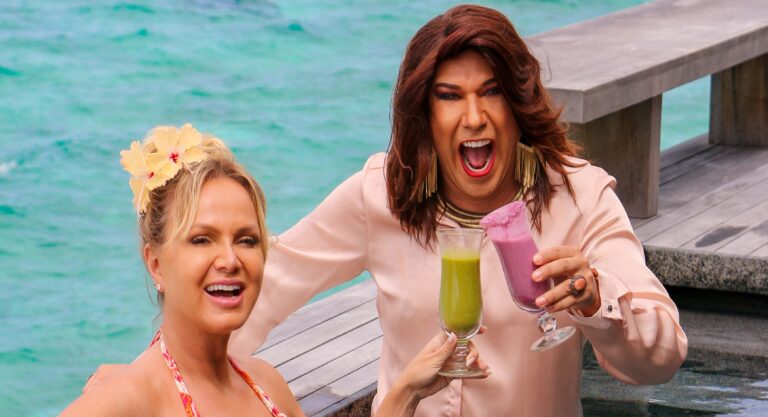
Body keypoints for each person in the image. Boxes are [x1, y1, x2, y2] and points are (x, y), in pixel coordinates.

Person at [227, 4, 688, 417]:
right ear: (425, 114)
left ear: (517, 104)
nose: (473, 117)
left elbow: (661, 359)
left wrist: (595, 298)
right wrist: (199, 387)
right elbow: (266, 288)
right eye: (450, 96)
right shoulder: (381, 194)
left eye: (491, 92)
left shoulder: (579, 195)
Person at [62, 124, 488, 417]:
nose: (230, 259)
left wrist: (407, 391)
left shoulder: (266, 385)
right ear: (155, 262)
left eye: (246, 240)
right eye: (202, 239)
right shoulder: (127, 400)